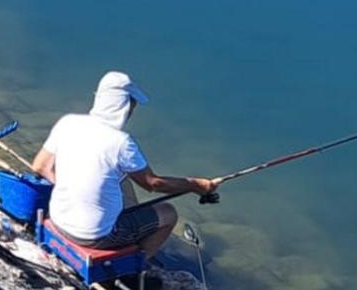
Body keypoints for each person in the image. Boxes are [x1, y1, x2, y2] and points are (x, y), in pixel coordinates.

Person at [29, 72, 218, 260]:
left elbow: (39, 166)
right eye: (132, 105)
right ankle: (136, 268)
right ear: (124, 106)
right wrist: (196, 185)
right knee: (168, 213)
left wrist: (69, 187)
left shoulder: (68, 123)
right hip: (95, 236)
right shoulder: (121, 142)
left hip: (59, 219)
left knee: (123, 180)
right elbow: (153, 184)